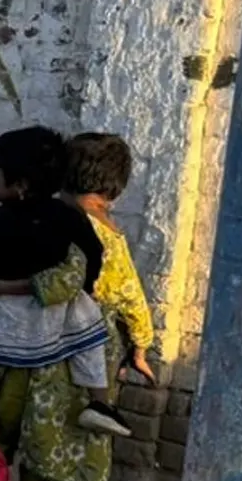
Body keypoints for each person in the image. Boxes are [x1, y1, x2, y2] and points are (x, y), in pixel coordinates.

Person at [0, 126, 126, 436]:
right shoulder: (67, 216)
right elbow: (93, 256)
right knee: (89, 334)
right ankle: (100, 403)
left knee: (2, 412)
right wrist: (82, 288)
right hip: (61, 326)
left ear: (20, 184)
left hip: (8, 328)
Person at [65, 132, 159, 390]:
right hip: (93, 340)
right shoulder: (108, 236)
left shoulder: (47, 217)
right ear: (115, 186)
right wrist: (141, 346)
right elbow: (130, 294)